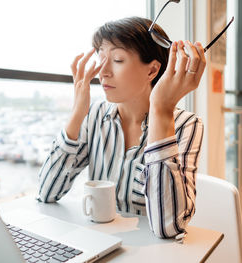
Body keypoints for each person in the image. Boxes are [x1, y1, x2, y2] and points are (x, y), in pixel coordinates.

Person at [37, 16, 205, 239]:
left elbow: (169, 227)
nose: (103, 71)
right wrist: (77, 112)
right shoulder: (95, 115)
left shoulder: (186, 125)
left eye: (117, 60)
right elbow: (46, 192)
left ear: (152, 71)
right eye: (100, 58)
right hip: (96, 244)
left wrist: (161, 110)